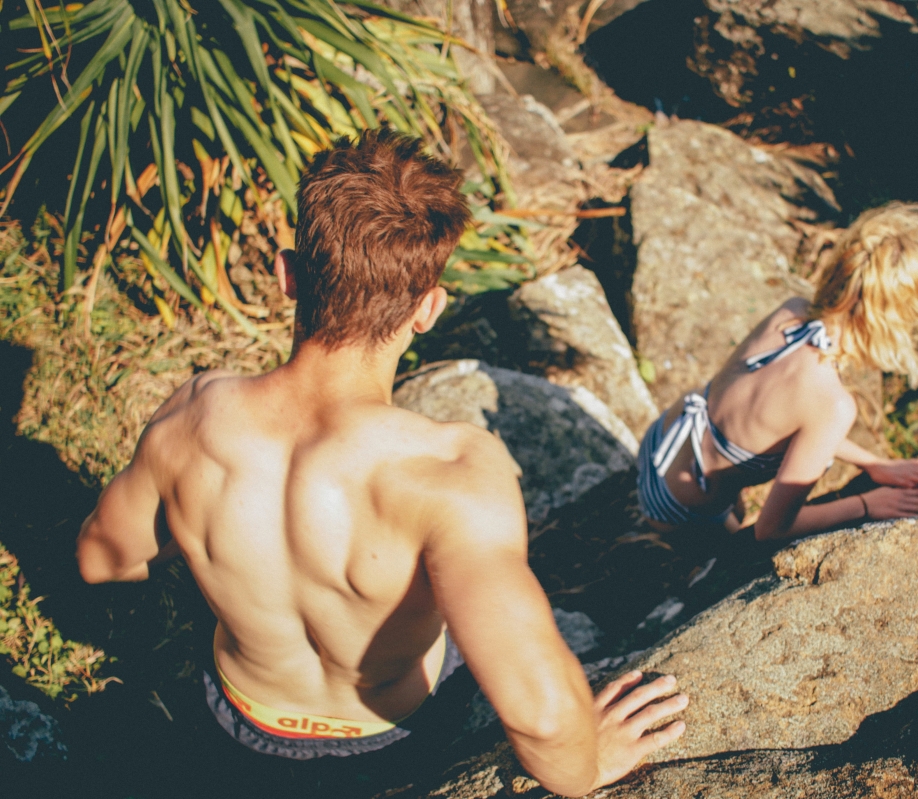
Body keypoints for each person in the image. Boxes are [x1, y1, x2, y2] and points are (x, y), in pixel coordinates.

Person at [76, 129, 686, 796]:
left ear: (287, 275)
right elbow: (540, 716)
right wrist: (588, 765)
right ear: (428, 309)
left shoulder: (195, 417)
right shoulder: (454, 475)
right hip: (394, 739)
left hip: (237, 720)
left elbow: (103, 558)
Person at [637, 201, 918, 541]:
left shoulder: (791, 313)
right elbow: (771, 529)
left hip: (661, 442)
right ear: (893, 323)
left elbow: (791, 418)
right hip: (676, 508)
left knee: (734, 506)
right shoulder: (832, 405)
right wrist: (867, 504)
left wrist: (872, 463)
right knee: (731, 546)